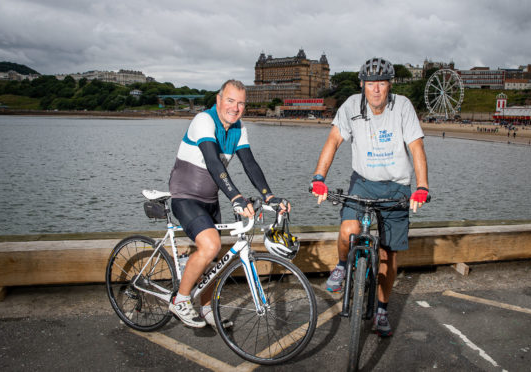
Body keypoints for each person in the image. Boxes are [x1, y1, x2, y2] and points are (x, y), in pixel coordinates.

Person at [310, 57, 429, 337]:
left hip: (397, 186)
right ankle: (341, 266)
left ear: (389, 85)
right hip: (362, 182)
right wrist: (319, 178)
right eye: (370, 83)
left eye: (382, 83)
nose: (376, 89)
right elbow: (333, 140)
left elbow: (417, 147)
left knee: (388, 254)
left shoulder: (402, 108)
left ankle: (382, 310)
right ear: (363, 85)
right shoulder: (351, 105)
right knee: (347, 231)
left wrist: (422, 186)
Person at [168, 79, 289, 328]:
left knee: (215, 259)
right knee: (211, 245)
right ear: (219, 100)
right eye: (231, 101)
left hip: (210, 200)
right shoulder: (204, 120)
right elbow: (213, 162)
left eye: (241, 103)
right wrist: (235, 196)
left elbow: (250, 164)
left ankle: (204, 307)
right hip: (185, 196)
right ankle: (179, 299)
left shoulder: (238, 128)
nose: (235, 108)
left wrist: (269, 196)